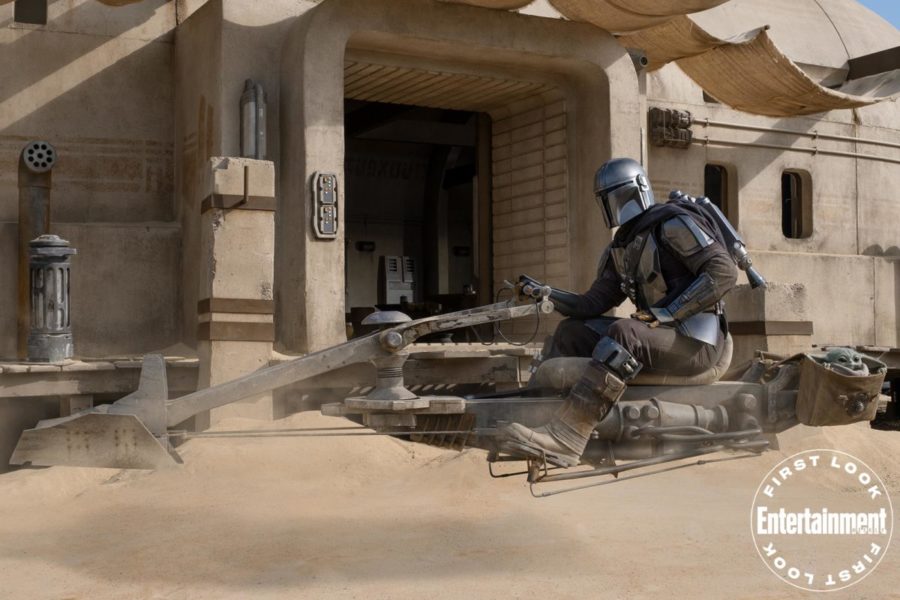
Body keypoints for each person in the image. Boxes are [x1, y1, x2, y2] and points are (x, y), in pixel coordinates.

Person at [501, 157, 738, 467]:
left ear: (638, 190)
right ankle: (538, 420)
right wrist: (545, 293)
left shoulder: (673, 223)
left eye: (618, 196)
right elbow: (590, 304)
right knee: (572, 331)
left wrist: (668, 312)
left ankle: (568, 437)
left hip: (697, 344)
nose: (614, 205)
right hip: (659, 339)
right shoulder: (622, 246)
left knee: (624, 333)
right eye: (607, 199)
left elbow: (724, 272)